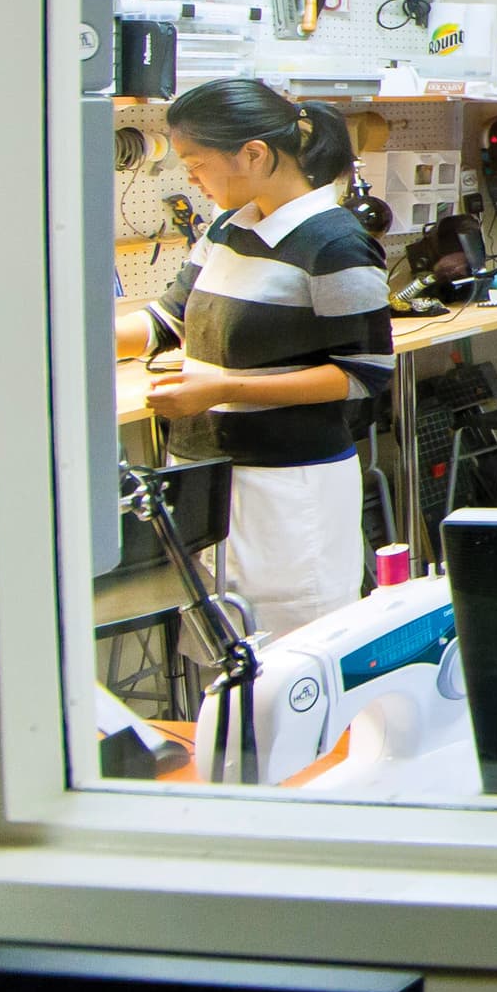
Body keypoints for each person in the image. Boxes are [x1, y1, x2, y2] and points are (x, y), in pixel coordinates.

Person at [111, 79, 393, 642]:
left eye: (197, 162)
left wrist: (224, 388)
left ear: (255, 154)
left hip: (288, 492)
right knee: (229, 673)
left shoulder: (334, 243)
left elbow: (366, 376)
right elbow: (169, 321)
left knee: (296, 670)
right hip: (206, 480)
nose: (189, 176)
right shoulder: (227, 226)